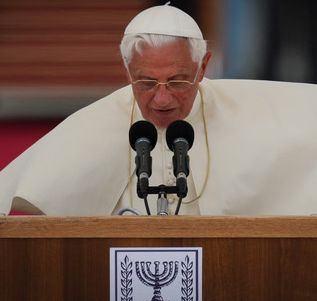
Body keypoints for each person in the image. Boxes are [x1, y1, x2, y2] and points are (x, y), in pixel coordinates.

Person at [0, 3, 317, 216]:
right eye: (147, 82)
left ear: (203, 66)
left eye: (178, 81)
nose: (162, 100)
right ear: (127, 69)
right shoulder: (93, 125)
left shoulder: (245, 110)